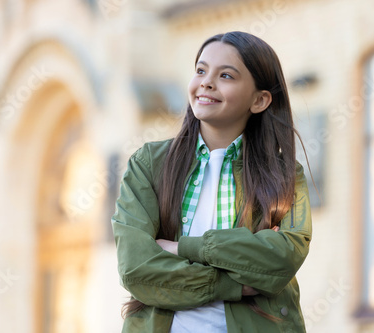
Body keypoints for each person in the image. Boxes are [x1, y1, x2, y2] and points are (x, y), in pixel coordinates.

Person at [112, 31, 312, 333]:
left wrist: (183, 248)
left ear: (259, 100)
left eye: (226, 75)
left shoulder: (284, 173)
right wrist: (233, 283)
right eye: (201, 71)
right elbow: (137, 268)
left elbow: (281, 258)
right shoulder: (149, 164)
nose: (206, 82)